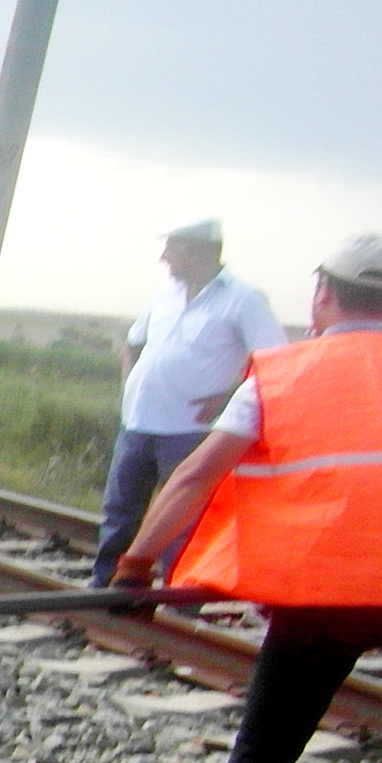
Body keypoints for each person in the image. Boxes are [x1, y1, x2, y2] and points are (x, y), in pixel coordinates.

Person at [114, 233, 382, 763]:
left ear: (323, 295)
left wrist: (135, 567)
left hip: (325, 598)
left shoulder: (280, 375)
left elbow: (196, 473)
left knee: (268, 743)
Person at [92, 219, 284, 584]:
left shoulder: (243, 299)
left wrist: (228, 400)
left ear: (198, 251)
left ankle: (177, 597)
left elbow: (273, 362)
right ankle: (105, 584)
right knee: (120, 512)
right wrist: (129, 386)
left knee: (182, 521)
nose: (164, 257)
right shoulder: (164, 296)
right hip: (136, 422)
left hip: (189, 428)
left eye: (172, 248)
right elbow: (133, 343)